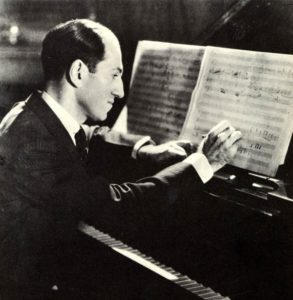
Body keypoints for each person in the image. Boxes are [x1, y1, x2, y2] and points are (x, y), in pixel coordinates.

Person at [0, 19, 241, 299]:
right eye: (115, 74)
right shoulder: (36, 145)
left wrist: (144, 151)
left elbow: (87, 134)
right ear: (78, 72)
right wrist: (204, 164)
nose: (120, 91)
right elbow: (120, 208)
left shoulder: (33, 115)